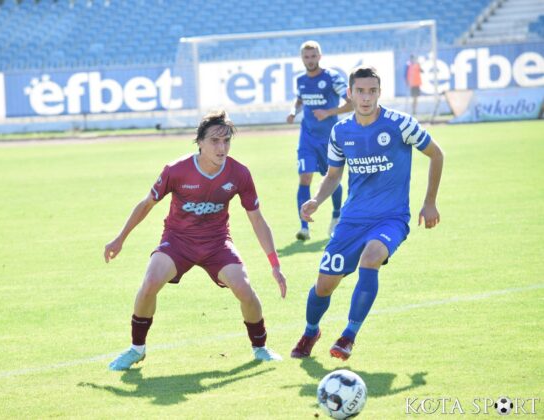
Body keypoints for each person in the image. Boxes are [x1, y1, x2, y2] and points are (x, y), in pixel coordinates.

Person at [105, 110, 288, 370]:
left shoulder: (239, 174)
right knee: (150, 282)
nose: (221, 147)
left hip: (217, 243)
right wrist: (119, 238)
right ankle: (137, 349)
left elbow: (257, 219)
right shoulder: (176, 170)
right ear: (200, 142)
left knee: (244, 289)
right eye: (214, 141)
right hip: (178, 241)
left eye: (226, 141)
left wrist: (275, 265)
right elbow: (147, 204)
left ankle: (260, 348)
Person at [290, 67, 443, 360]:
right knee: (324, 286)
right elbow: (334, 175)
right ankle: (311, 331)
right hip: (351, 220)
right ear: (350, 93)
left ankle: (348, 336)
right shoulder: (340, 131)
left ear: (379, 93)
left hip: (391, 218)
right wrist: (317, 200)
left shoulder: (400, 124)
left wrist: (430, 202)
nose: (366, 97)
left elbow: (436, 154)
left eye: (372, 91)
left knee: (371, 258)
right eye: (360, 91)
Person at [287, 40, 353, 241]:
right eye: (306, 57)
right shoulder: (301, 80)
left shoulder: (332, 77)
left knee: (330, 177)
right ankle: (304, 227)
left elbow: (351, 103)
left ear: (320, 56)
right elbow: (300, 100)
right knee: (305, 177)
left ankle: (336, 216)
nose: (310, 60)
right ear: (302, 58)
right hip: (307, 137)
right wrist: (293, 111)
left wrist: (328, 112)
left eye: (313, 56)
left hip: (328, 139)